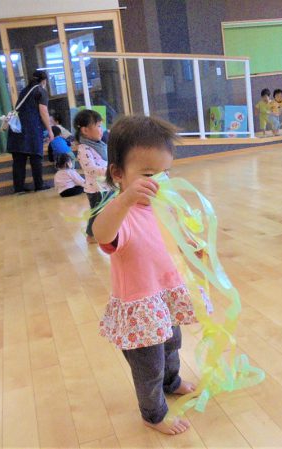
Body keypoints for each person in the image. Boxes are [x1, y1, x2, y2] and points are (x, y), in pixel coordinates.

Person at [93, 115, 197, 435]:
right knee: (148, 365)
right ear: (118, 174)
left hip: (164, 295)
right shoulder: (121, 213)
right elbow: (101, 233)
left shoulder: (160, 205)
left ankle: (172, 381)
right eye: (149, 175)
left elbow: (171, 235)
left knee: (172, 345)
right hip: (140, 306)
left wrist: (191, 245)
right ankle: (153, 413)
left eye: (165, 173)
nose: (159, 182)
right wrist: (125, 200)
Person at [6, 69, 54, 194]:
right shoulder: (40, 91)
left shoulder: (24, 91)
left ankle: (19, 188)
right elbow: (43, 112)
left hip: (16, 128)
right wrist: (50, 130)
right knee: (35, 156)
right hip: (31, 128)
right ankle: (39, 184)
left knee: (19, 159)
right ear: (44, 81)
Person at [75, 109, 108, 244]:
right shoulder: (84, 149)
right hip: (95, 189)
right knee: (97, 213)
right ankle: (91, 235)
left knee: (108, 210)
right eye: (98, 126)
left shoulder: (99, 145)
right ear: (85, 130)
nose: (101, 129)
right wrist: (110, 171)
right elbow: (91, 169)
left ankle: (111, 230)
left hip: (106, 185)